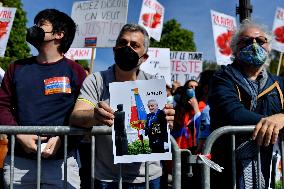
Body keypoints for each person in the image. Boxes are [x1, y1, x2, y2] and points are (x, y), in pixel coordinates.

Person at [69, 23, 174, 189]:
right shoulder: (96, 81)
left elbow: (164, 128)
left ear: (144, 57)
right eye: (123, 43)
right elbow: (76, 115)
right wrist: (94, 116)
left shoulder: (153, 84)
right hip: (107, 178)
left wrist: (167, 121)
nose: (127, 48)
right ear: (114, 49)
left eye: (134, 45)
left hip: (148, 177)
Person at [0, 9, 86, 188]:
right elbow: (2, 106)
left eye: (41, 25)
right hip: (19, 163)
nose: (34, 29)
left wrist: (64, 139)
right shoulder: (16, 68)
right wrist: (19, 134)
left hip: (61, 164)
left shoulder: (76, 71)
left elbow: (84, 114)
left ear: (59, 34)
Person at [208, 19, 284, 189]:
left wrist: (283, 118)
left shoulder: (279, 84)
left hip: (269, 167)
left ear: (269, 47)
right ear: (235, 49)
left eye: (261, 40)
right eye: (247, 41)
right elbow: (234, 113)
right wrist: (273, 122)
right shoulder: (222, 77)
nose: (255, 45)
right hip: (229, 170)